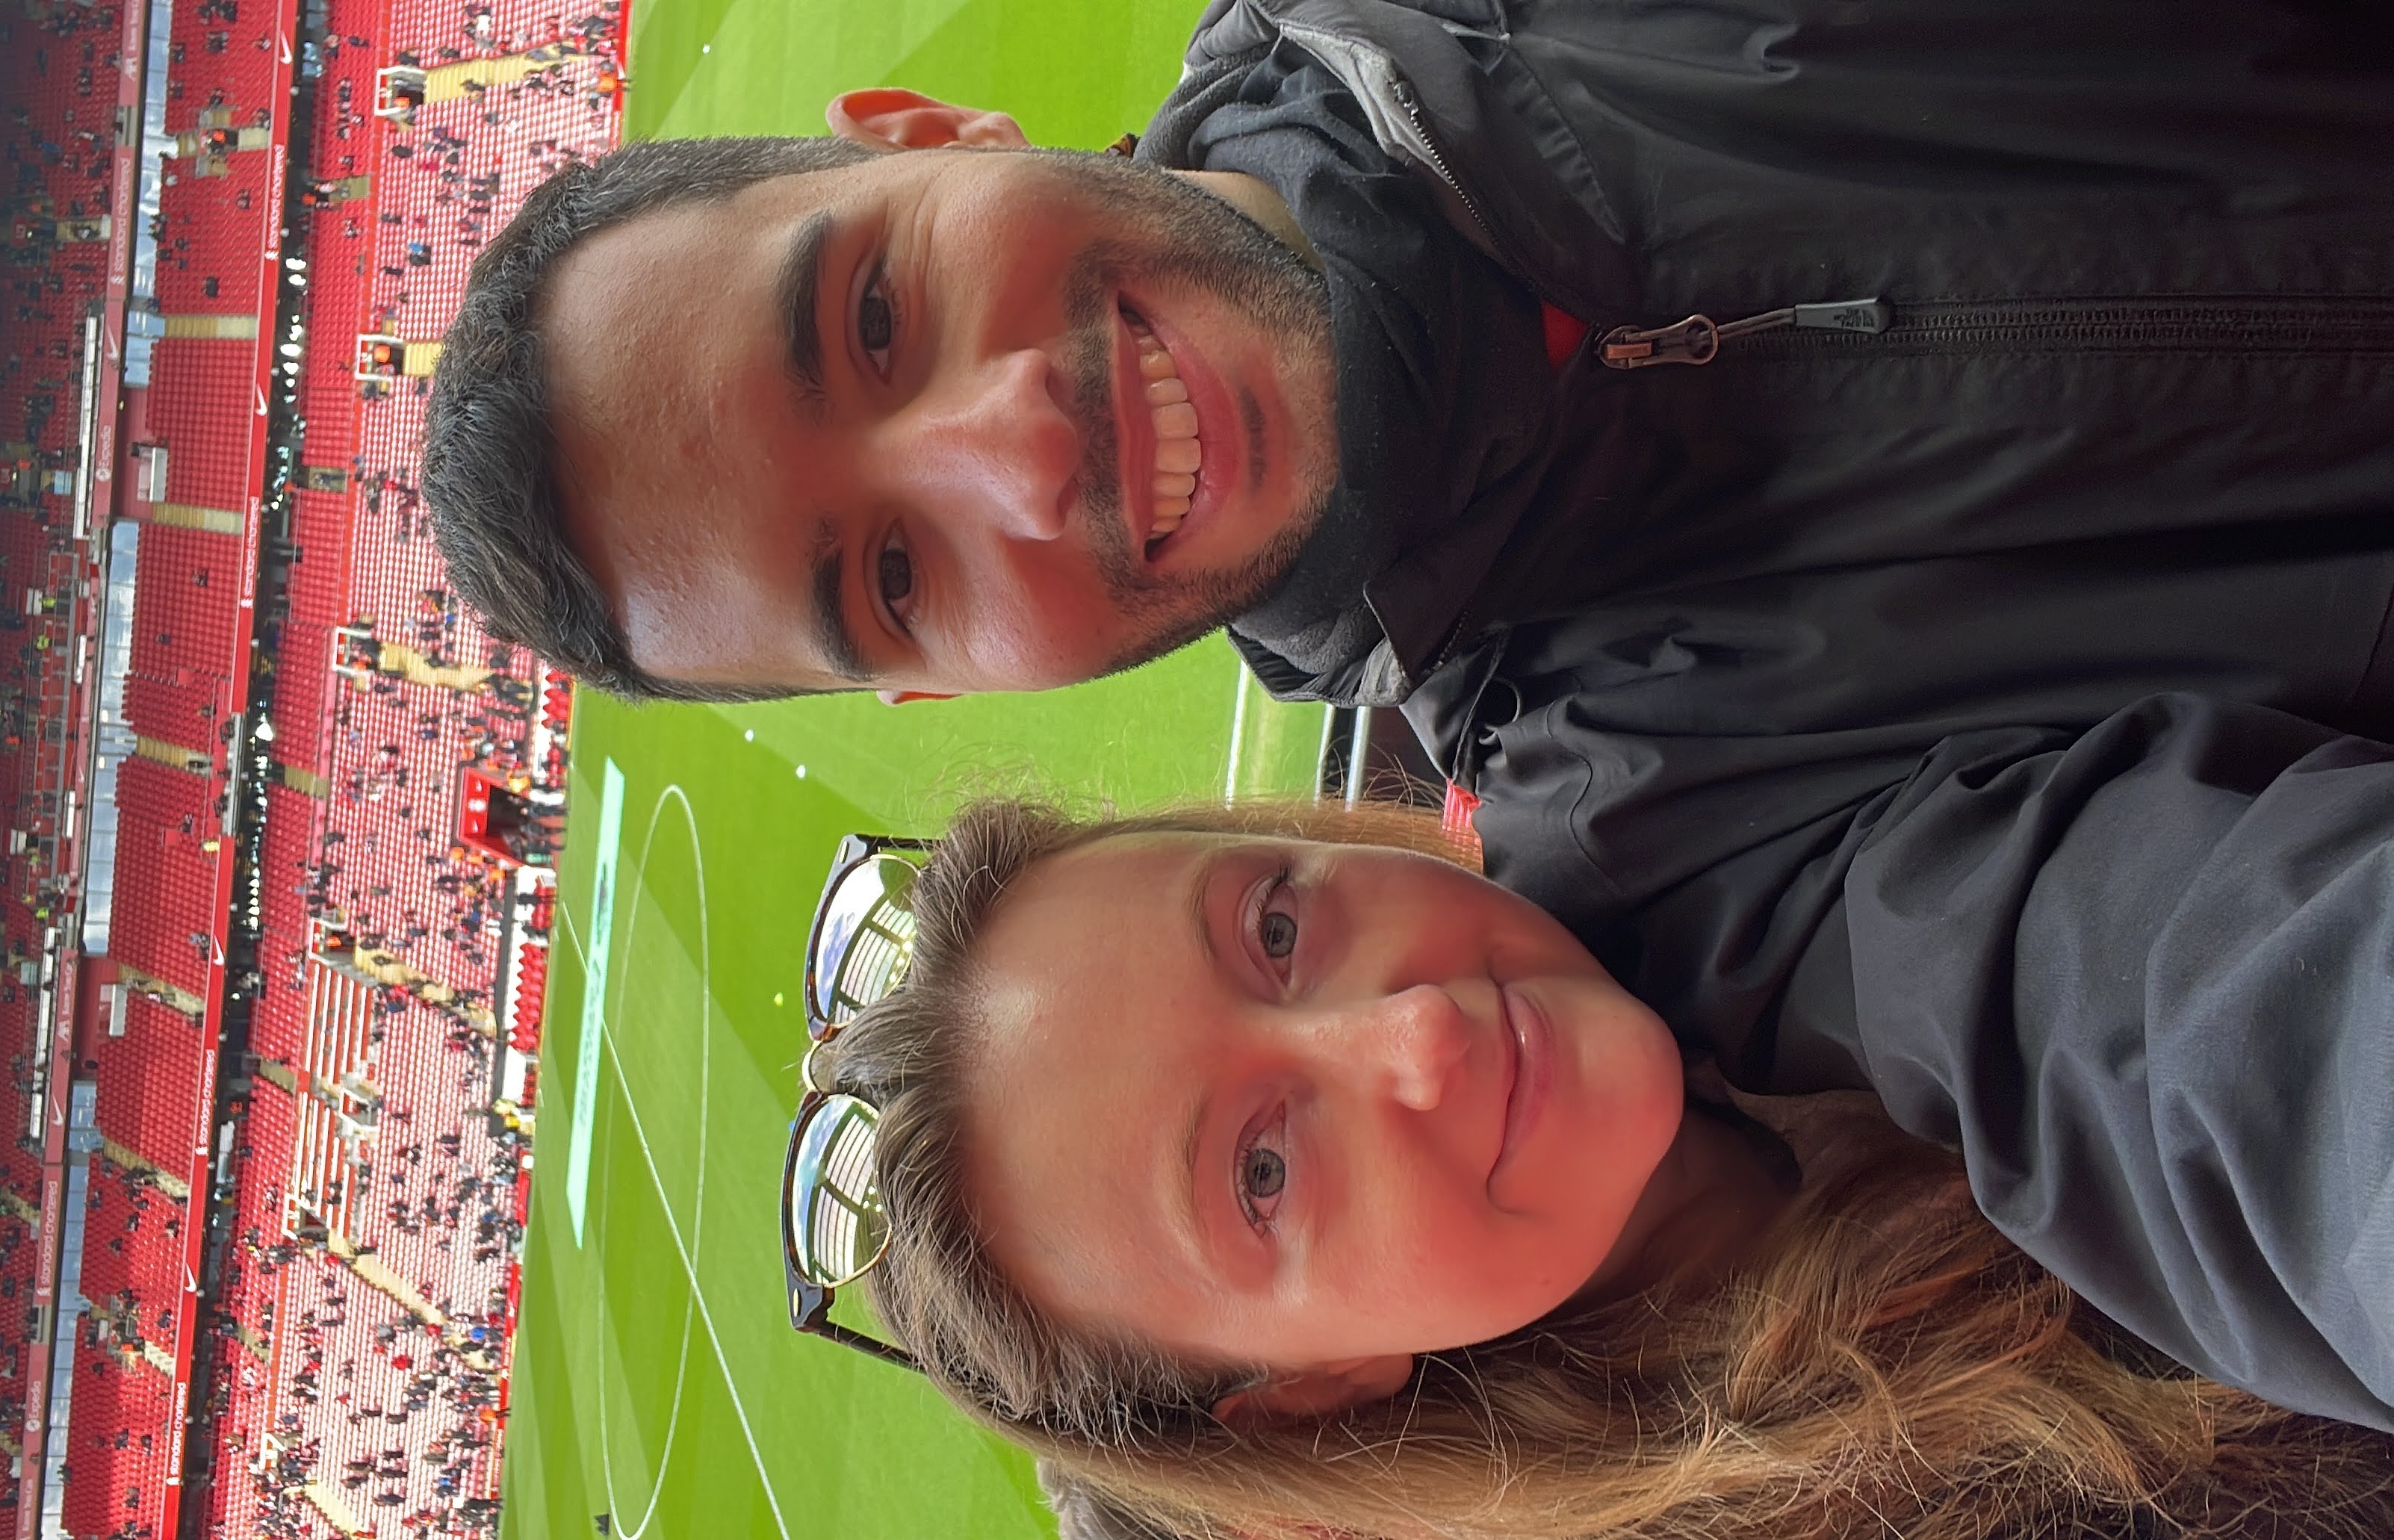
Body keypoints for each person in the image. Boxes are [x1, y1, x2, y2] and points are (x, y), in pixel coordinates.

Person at [426, 0, 2394, 1147]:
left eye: (873, 312)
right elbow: (2243, 1056)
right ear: (941, 688)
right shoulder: (1696, 869)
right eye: (892, 575)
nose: (1017, 446)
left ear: (931, 132)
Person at [799, 794, 2394, 1539]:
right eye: (1263, 1173)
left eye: (1276, 927)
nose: (1412, 1031)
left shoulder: (1750, 802)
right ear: (1311, 1385)